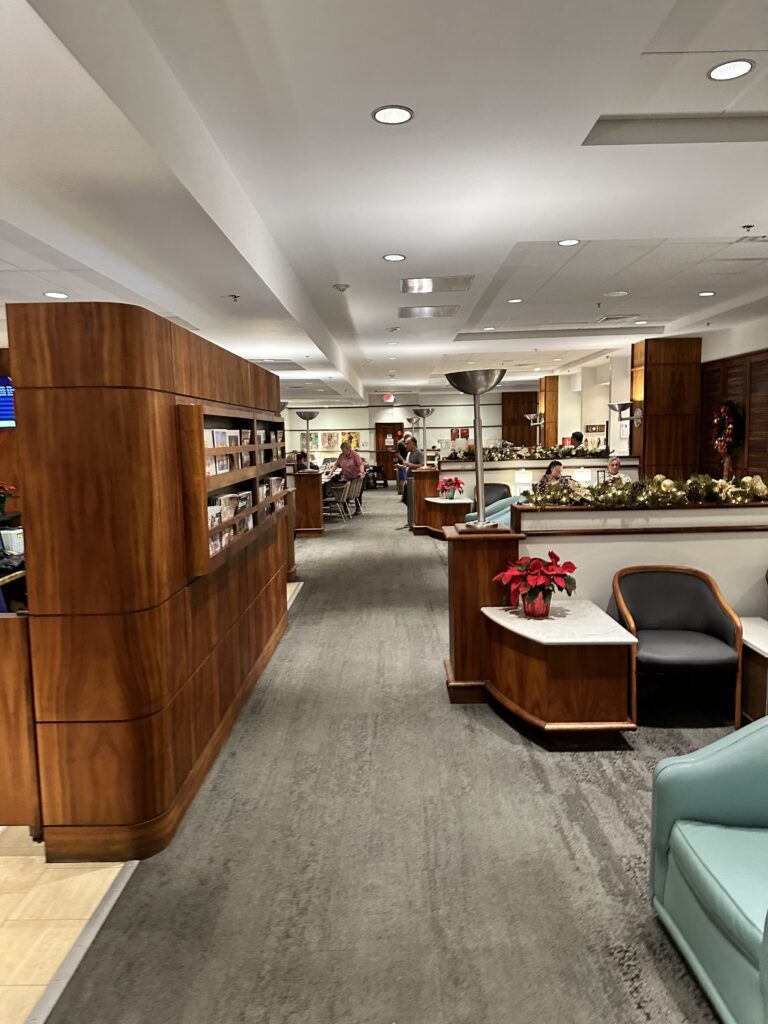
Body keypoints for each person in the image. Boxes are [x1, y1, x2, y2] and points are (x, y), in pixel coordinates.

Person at [394, 435, 424, 526]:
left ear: (413, 444)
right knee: (407, 500)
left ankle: (414, 520)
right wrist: (401, 466)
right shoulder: (409, 454)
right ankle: (411, 520)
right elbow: (408, 465)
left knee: (412, 502)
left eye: (407, 444)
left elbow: (422, 466)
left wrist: (409, 465)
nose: (406, 446)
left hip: (415, 481)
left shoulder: (419, 453)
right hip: (409, 480)